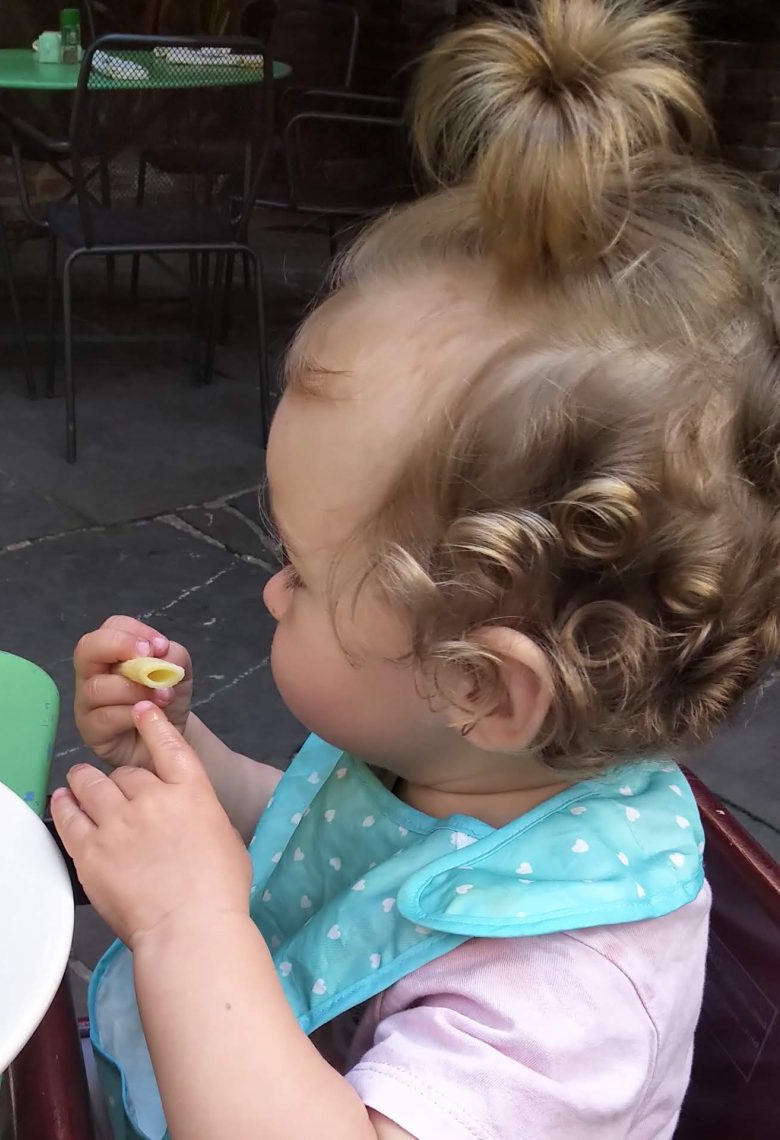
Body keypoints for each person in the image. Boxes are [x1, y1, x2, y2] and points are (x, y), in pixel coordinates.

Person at [50, 1, 780, 1136]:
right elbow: (307, 836)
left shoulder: (568, 994)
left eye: (302, 571)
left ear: (483, 688)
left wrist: (190, 924)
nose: (270, 592)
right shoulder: (442, 761)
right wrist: (184, 754)